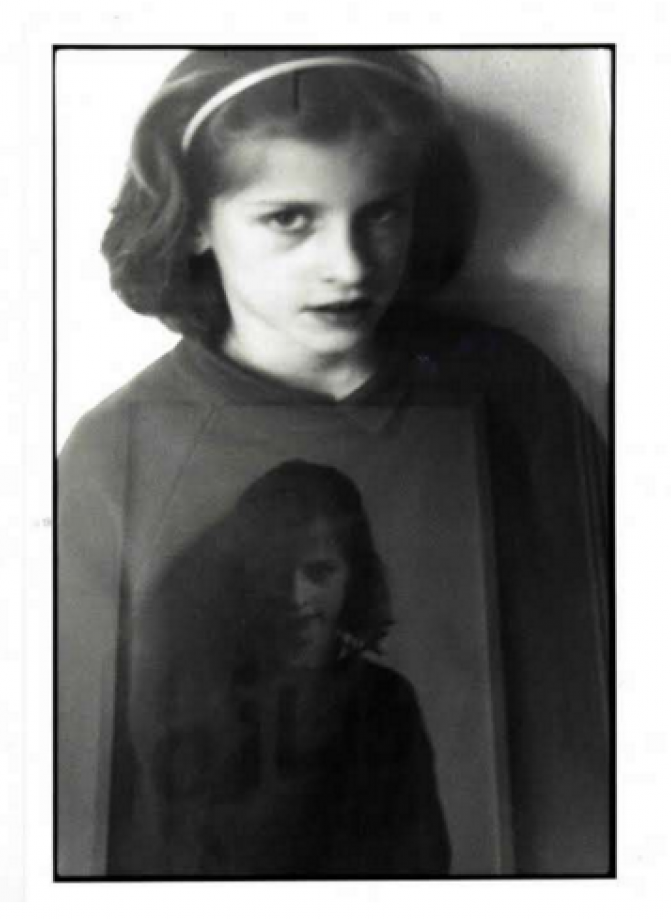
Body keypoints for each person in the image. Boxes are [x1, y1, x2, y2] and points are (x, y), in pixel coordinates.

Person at [57, 49, 612, 877]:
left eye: (381, 213)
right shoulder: (114, 455)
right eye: (290, 218)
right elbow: (88, 795)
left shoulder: (511, 393)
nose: (349, 266)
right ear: (198, 220)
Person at [109, 460, 451, 875]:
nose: (296, 597)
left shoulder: (387, 702)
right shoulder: (211, 698)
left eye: (319, 572)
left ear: (353, 578)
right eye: (275, 572)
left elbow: (422, 861)